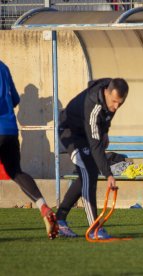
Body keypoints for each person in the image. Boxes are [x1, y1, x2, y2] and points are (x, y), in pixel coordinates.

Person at [56, 78, 129, 238]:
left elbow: (104, 124)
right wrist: (108, 174)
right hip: (70, 132)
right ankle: (95, 228)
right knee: (90, 173)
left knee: (85, 176)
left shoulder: (111, 97)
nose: (116, 106)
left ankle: (59, 220)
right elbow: (95, 145)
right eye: (114, 101)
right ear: (107, 93)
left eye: (120, 103)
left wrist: (105, 134)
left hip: (86, 134)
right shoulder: (93, 105)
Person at [0, 60, 58, 239]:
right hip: (10, 130)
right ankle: (42, 206)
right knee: (16, 172)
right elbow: (15, 99)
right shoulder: (3, 67)